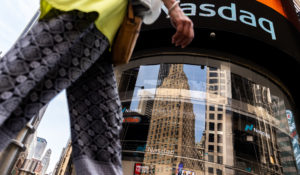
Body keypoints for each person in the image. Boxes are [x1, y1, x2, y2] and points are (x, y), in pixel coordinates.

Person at [0, 0, 194, 174]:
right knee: (16, 85)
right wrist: (174, 8)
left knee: (102, 124)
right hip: (88, 12)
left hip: (102, 28)